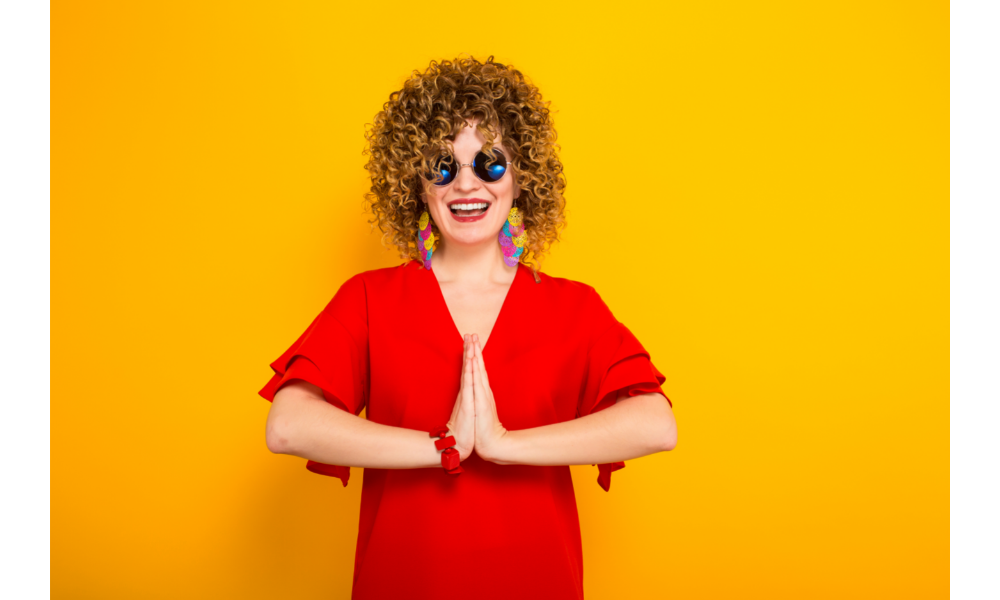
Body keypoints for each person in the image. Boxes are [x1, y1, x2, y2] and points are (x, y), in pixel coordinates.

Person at [257, 55, 678, 599]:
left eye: (490, 164)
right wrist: (445, 446)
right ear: (416, 181)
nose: (465, 184)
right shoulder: (369, 299)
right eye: (442, 166)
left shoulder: (573, 307)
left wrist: (503, 444)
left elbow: (655, 424)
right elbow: (288, 424)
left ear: (523, 175)